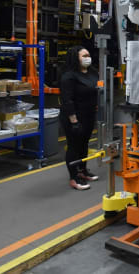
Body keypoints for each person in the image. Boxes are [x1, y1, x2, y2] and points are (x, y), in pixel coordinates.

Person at [60, 46, 99, 191]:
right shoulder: (69, 76)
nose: (87, 58)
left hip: (88, 115)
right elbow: (67, 100)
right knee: (74, 146)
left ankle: (82, 171)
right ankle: (73, 177)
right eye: (84, 55)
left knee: (84, 144)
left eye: (88, 55)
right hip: (73, 117)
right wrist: (74, 121)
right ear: (76, 58)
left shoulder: (92, 73)